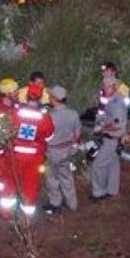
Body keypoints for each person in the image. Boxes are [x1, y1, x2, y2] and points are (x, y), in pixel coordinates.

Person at [0, 84, 54, 218]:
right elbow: (49, 137)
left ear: (27, 97)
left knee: (10, 183)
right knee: (30, 186)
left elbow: (4, 132)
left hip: (14, 155)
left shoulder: (15, 113)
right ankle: (26, 218)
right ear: (40, 99)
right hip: (34, 158)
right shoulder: (44, 118)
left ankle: (6, 214)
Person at [43, 86, 82, 214]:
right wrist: (73, 145)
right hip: (67, 149)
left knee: (51, 178)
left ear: (54, 99)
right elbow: (77, 133)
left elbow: (44, 135)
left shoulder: (49, 116)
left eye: (50, 96)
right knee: (66, 176)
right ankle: (72, 203)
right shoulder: (73, 114)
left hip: (52, 151)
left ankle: (55, 202)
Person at [91, 77, 128, 200]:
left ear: (114, 87)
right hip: (113, 139)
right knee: (113, 165)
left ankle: (99, 192)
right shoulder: (111, 100)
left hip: (112, 139)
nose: (104, 89)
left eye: (107, 87)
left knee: (97, 165)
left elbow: (117, 124)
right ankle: (112, 191)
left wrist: (101, 128)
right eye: (104, 86)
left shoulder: (117, 103)